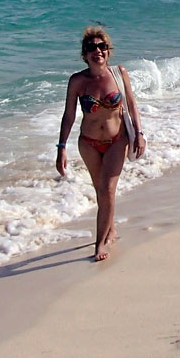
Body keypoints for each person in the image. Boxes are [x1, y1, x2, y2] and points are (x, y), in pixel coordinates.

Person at [56, 26, 145, 261]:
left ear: (108, 50)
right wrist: (61, 147)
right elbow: (68, 116)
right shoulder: (77, 81)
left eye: (102, 46)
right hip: (89, 143)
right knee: (101, 191)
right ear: (84, 54)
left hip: (117, 141)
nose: (98, 51)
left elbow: (132, 104)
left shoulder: (119, 73)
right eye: (92, 47)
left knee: (107, 190)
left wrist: (140, 132)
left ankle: (99, 244)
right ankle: (111, 228)